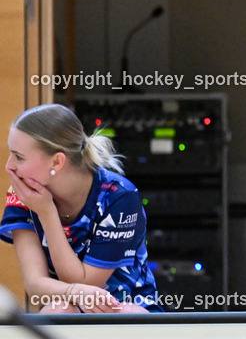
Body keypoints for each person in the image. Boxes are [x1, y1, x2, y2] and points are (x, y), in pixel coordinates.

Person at [2, 103, 161, 313]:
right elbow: (35, 286)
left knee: (131, 315)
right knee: (58, 310)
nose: (8, 166)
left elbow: (87, 282)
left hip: (123, 303)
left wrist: (46, 212)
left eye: (19, 157)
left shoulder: (119, 196)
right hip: (64, 301)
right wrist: (45, 210)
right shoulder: (24, 194)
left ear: (57, 162)